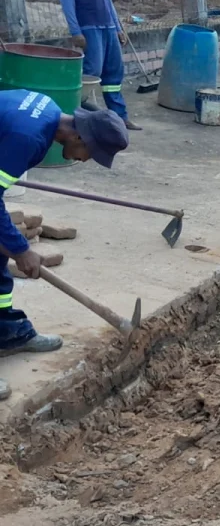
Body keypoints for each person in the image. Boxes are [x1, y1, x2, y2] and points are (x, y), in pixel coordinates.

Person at [0, 91, 129, 388]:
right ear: (81, 139)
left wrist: (13, 247)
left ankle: (8, 332)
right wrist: (21, 249)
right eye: (91, 155)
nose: (85, 162)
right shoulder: (29, 138)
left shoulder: (47, 108)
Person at [58, 0, 139, 131]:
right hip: (89, 27)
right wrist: (75, 30)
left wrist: (118, 27)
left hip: (107, 26)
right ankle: (75, 115)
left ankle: (119, 116)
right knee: (91, 72)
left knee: (113, 73)